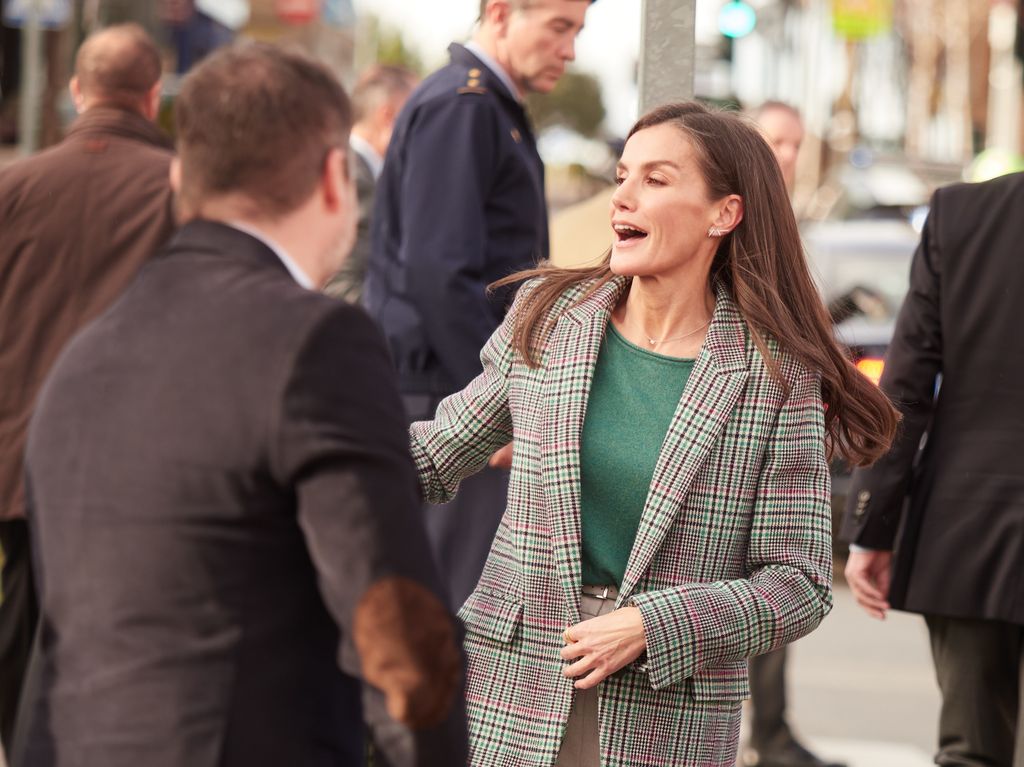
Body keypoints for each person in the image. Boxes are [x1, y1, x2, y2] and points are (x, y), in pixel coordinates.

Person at [16, 42, 467, 767]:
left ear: (177, 178)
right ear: (332, 179)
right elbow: (396, 631)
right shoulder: (319, 339)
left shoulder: (86, 354)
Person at [410, 101, 899, 766]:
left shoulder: (777, 378)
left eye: (656, 180)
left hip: (667, 721)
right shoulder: (548, 318)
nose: (623, 198)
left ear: (724, 213)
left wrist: (653, 624)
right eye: (621, 176)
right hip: (509, 696)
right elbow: (432, 456)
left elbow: (800, 583)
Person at [363, 0, 593, 609]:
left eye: (577, 31)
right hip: (445, 387)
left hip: (450, 380)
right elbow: (441, 271)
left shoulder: (483, 106)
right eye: (558, 27)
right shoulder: (464, 107)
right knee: (445, 603)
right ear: (500, 13)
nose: (569, 50)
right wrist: (495, 403)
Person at [0, 23, 174, 751]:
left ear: (76, 91)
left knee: (21, 627)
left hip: (17, 458)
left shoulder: (13, 184)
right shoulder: (181, 186)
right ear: (154, 97)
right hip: (131, 466)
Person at [842, 172, 1024, 767]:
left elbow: (906, 389)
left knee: (971, 752)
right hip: (968, 528)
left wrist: (874, 528)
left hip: (969, 528)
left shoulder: (963, 214)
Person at [745, 101, 843, 767]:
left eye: (794, 143)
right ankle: (762, 735)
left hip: (776, 422)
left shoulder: (785, 219)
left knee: (781, 584)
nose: (786, 154)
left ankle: (771, 732)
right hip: (734, 423)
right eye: (774, 140)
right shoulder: (732, 213)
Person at [325, 63, 417, 303]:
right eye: (415, 117)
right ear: (387, 117)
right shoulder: (357, 179)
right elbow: (340, 285)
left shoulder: (357, 170)